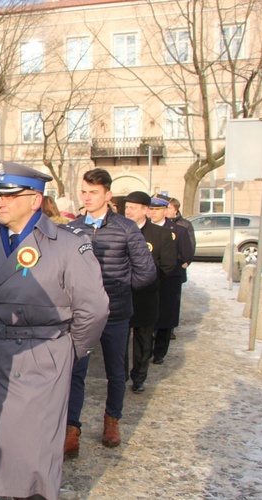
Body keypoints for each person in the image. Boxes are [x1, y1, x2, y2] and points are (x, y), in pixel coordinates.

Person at [0, 161, 108, 498]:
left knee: (34, 449)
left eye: (11, 196)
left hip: (43, 355)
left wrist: (70, 350)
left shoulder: (67, 244)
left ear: (35, 200)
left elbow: (94, 307)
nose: (0, 202)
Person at [66, 168, 155, 455]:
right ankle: (71, 428)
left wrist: (117, 289)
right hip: (80, 315)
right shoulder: (72, 228)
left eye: (93, 192)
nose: (87, 197)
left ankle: (112, 421)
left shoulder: (126, 228)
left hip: (116, 313)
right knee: (74, 371)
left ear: (108, 195)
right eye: (84, 192)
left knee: (116, 372)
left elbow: (146, 272)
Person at [122, 191, 176, 393]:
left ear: (145, 210)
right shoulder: (119, 230)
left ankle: (139, 377)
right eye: (126, 207)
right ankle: (121, 375)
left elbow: (168, 264)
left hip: (146, 296)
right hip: (121, 295)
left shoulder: (160, 235)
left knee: (143, 340)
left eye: (133, 208)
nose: (128, 211)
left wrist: (147, 280)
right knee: (119, 340)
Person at [149, 194, 193, 363]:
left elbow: (186, 254)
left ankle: (160, 352)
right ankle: (146, 349)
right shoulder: (141, 230)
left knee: (166, 316)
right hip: (148, 280)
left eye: (157, 210)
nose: (153, 213)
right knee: (148, 316)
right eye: (151, 209)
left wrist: (174, 269)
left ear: (165, 211)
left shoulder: (178, 231)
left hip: (169, 279)